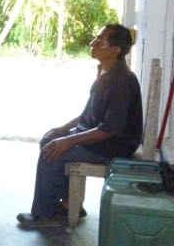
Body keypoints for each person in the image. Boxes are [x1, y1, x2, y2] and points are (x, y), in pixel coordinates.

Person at [16, 24, 143, 229]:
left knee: (52, 150)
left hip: (114, 145)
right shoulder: (106, 71)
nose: (93, 43)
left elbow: (108, 130)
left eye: (100, 41)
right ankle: (68, 205)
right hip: (100, 136)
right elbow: (88, 113)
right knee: (49, 140)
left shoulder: (123, 81)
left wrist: (67, 141)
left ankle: (44, 214)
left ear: (115, 50)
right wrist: (62, 130)